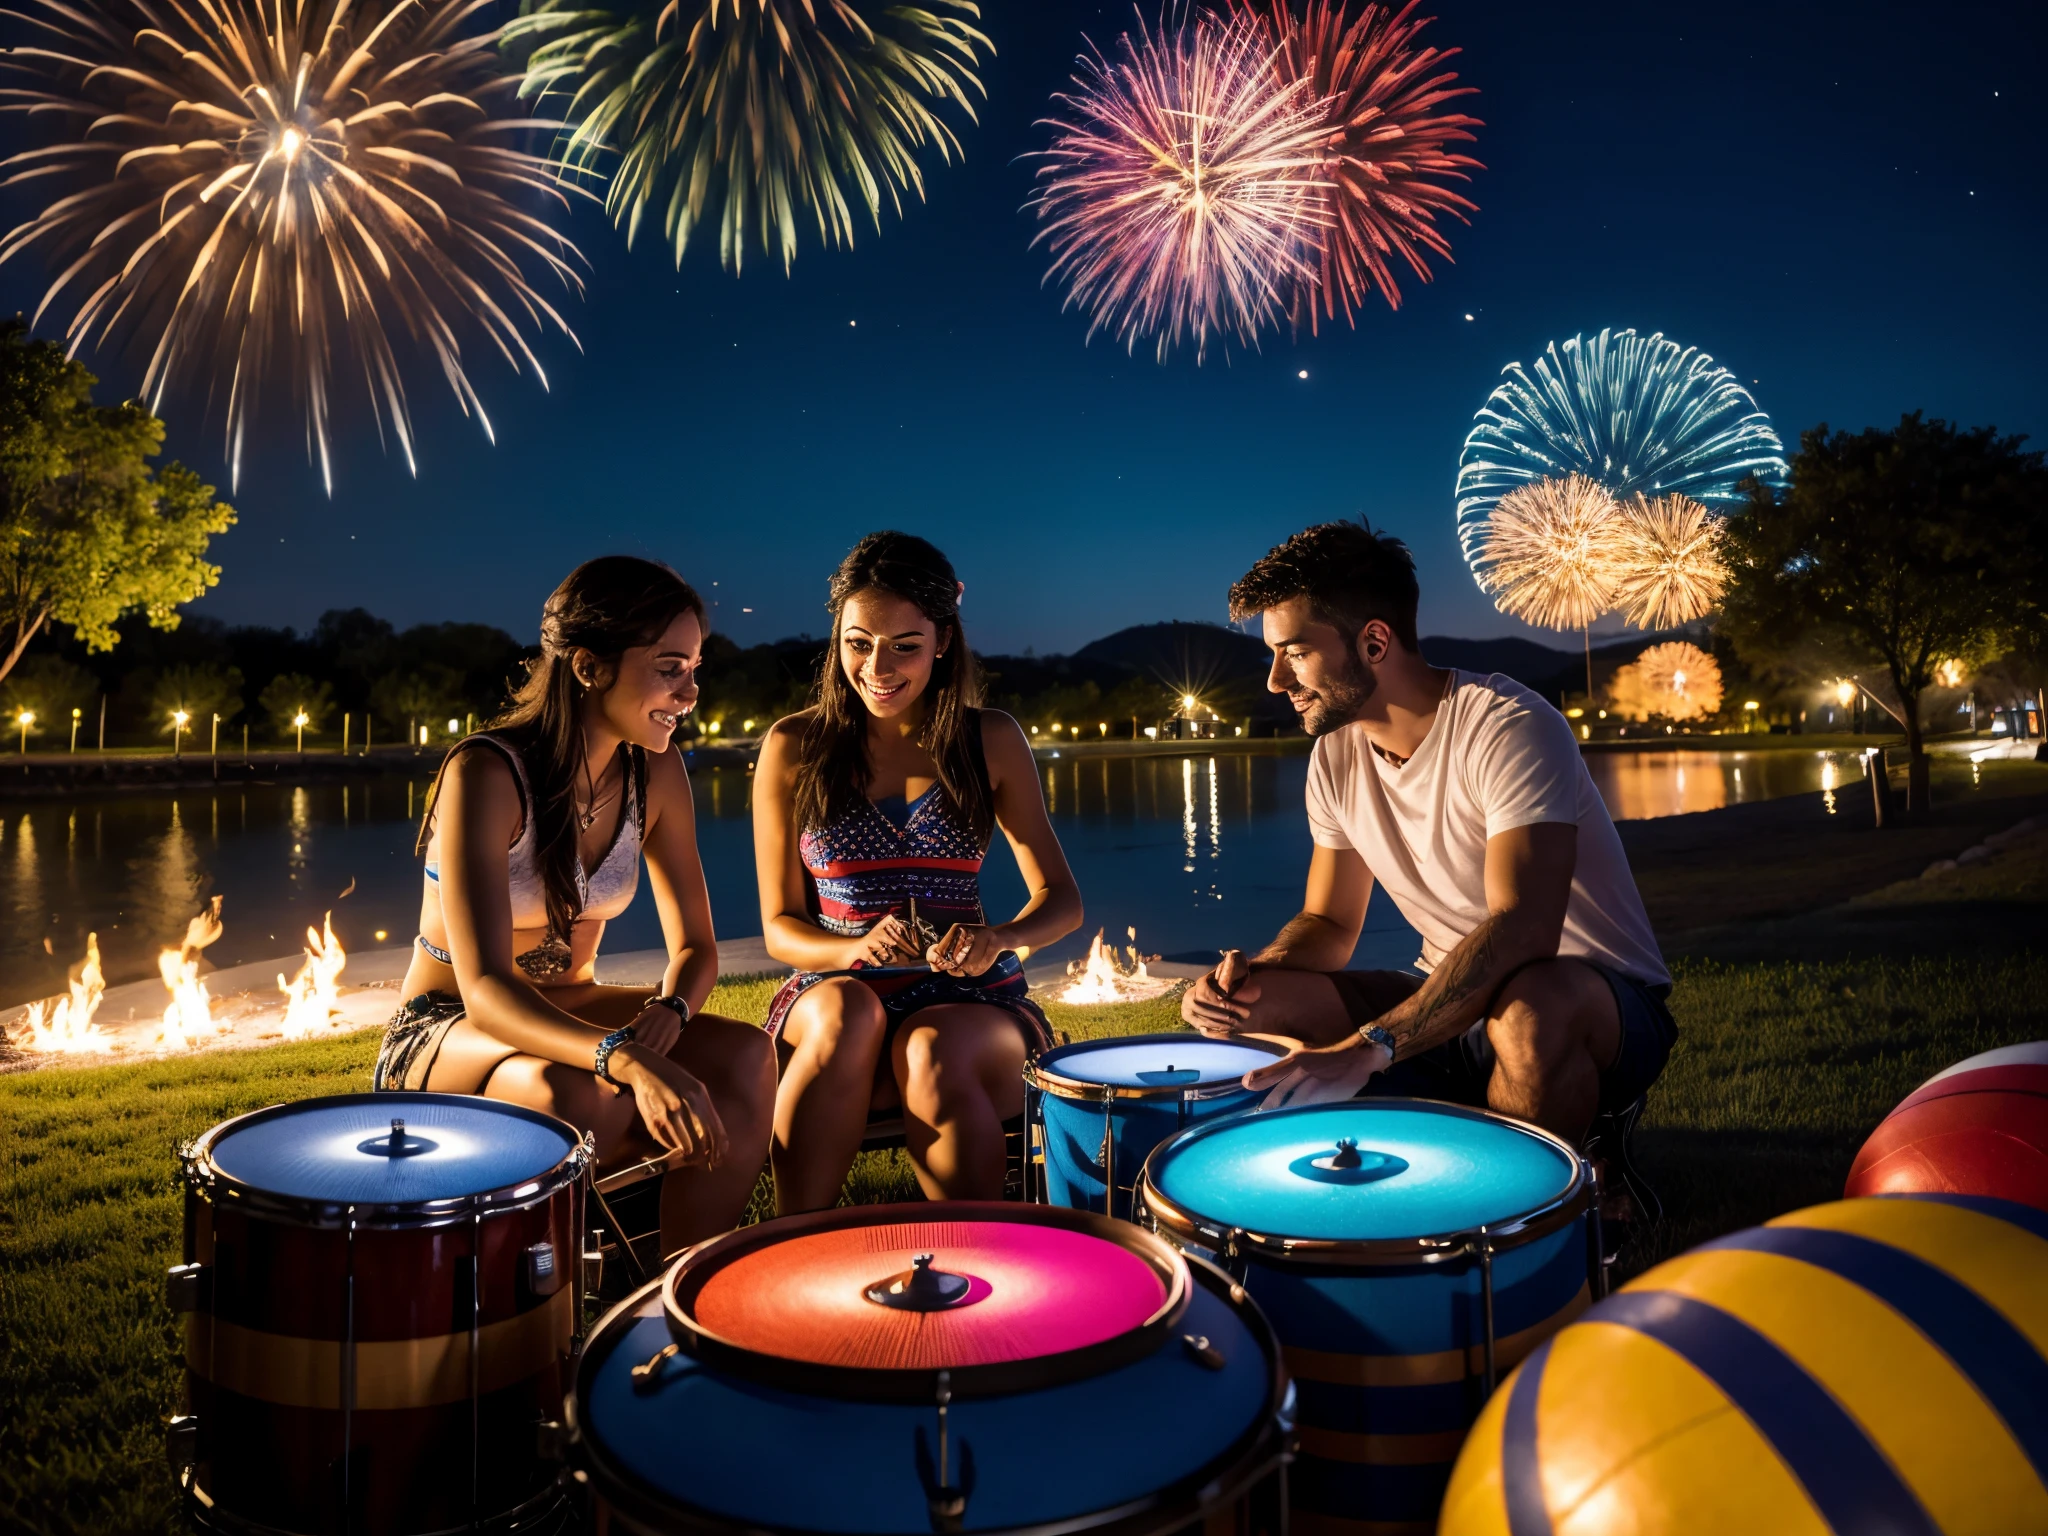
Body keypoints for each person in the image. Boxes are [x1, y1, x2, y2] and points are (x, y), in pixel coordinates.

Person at [1181, 521, 1673, 1220]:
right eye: (1273, 655)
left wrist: (1370, 1046)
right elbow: (1328, 924)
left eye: (1295, 652)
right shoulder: (1336, 756)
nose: (1275, 680)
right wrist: (1250, 974)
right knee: (1254, 1007)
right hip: (1451, 998)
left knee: (1531, 1009)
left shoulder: (1508, 726)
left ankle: (1532, 1210)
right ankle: (1294, 1199)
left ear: (1374, 642)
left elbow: (1524, 930)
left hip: (1597, 1005)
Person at [375, 556, 776, 1255]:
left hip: (576, 1004)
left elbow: (696, 950)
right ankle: (537, 1297)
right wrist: (625, 1058)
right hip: (451, 1026)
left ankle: (678, 1291)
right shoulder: (488, 773)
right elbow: (488, 992)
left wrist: (668, 1013)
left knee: (746, 1055)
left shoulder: (654, 772)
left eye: (694, 668)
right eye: (670, 667)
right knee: (578, 1096)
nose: (690, 692)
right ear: (589, 667)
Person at [755, 531, 1083, 1211]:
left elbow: (1061, 900)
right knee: (847, 1012)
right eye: (857, 642)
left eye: (905, 645)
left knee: (933, 1045)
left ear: (943, 640)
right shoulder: (794, 747)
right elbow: (781, 929)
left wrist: (997, 938)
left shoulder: (988, 739)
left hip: (967, 997)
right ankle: (791, 1245)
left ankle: (975, 1261)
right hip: (836, 987)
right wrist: (852, 949)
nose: (878, 666)